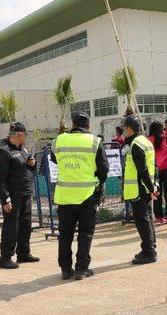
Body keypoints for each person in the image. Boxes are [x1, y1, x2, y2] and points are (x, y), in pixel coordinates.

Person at [52, 113, 109, 280]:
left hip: (65, 196)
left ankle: (65, 269)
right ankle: (81, 269)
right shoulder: (94, 141)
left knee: (65, 235)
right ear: (88, 126)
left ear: (73, 124)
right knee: (85, 234)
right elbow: (104, 168)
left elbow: (54, 159)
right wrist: (97, 181)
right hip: (87, 195)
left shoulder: (59, 140)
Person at [0, 122, 40, 269]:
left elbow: (31, 171)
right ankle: (5, 257)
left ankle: (23, 253)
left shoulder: (24, 150)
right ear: (20, 135)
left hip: (25, 194)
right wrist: (5, 199)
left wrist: (33, 164)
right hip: (13, 197)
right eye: (25, 135)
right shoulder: (3, 151)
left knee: (25, 225)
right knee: (11, 227)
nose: (26, 137)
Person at [122, 115, 158, 264]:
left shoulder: (136, 144)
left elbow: (142, 170)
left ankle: (149, 252)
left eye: (125, 128)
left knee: (142, 220)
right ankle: (149, 247)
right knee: (148, 218)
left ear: (130, 129)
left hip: (138, 189)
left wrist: (151, 189)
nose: (124, 131)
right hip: (145, 188)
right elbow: (154, 167)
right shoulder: (146, 142)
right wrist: (154, 185)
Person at [147, 121, 167, 225]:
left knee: (157, 193)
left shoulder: (149, 140)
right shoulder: (166, 137)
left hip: (155, 170)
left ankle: (159, 217)